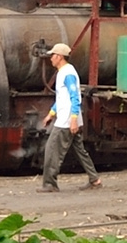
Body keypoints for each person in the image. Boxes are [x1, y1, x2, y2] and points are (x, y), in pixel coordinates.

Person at [38, 42, 101, 193]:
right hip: (69, 118)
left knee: (51, 149)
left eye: (53, 55)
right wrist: (50, 114)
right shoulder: (64, 72)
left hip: (67, 121)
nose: (51, 58)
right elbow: (62, 99)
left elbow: (75, 97)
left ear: (59, 57)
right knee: (80, 150)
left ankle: (50, 184)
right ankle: (94, 179)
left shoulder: (67, 74)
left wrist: (72, 119)